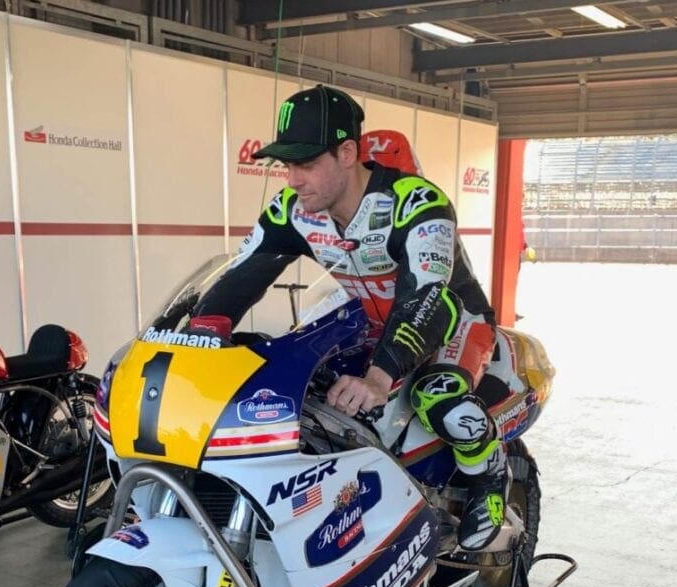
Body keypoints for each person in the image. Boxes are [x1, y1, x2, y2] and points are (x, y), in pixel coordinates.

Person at [193, 84, 505, 550]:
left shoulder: (417, 203)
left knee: (441, 399)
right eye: (286, 165)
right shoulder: (293, 211)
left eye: (306, 164)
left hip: (453, 319)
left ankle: (489, 480)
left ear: (346, 152)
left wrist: (379, 378)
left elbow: (426, 296)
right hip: (373, 320)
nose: (293, 179)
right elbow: (243, 274)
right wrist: (199, 333)